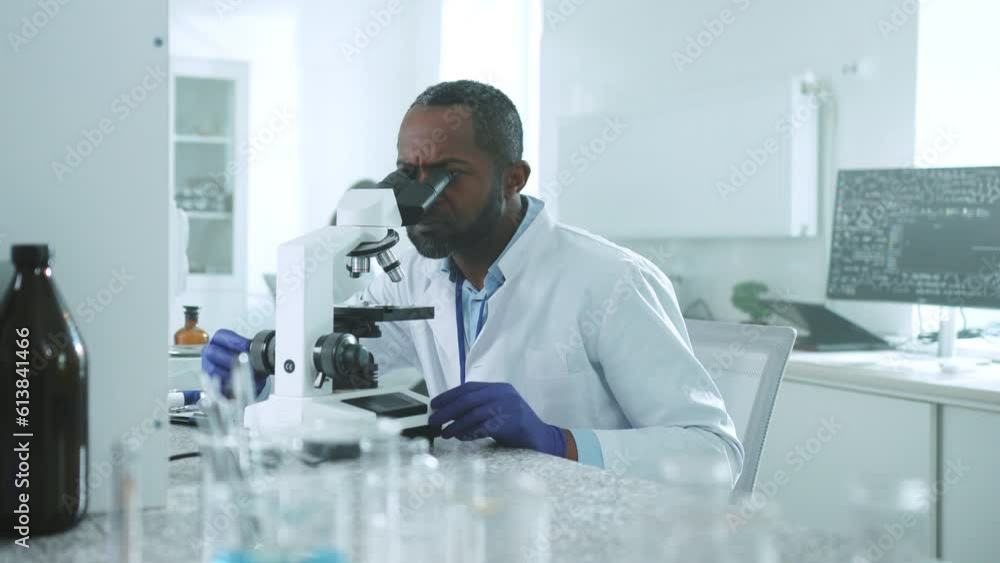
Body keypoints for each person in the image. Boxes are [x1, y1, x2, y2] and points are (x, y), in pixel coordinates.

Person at [203, 80, 743, 483]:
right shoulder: (414, 270)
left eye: (449, 175)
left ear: (514, 178)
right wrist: (266, 365)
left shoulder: (611, 281)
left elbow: (714, 453)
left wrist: (562, 442)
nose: (423, 197)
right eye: (408, 174)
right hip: (473, 512)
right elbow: (344, 365)